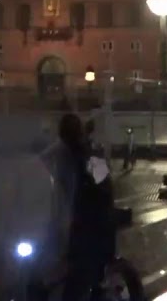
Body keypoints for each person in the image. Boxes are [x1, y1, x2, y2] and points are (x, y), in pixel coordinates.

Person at [49, 113, 116, 301]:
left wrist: (88, 193)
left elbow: (105, 187)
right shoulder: (61, 153)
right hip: (76, 220)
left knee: (82, 276)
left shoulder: (89, 154)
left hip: (91, 223)